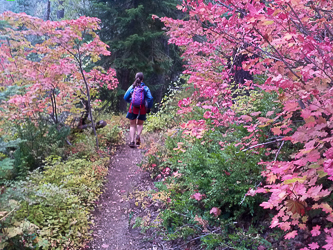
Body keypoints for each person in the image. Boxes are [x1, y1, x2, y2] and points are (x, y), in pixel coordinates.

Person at [124, 72, 153, 148]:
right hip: (142, 108)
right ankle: (138, 135)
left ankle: (132, 141)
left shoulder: (132, 87)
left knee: (132, 125)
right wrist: (148, 106)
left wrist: (131, 101)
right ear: (142, 78)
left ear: (135, 78)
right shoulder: (145, 88)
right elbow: (150, 98)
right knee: (140, 124)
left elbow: (125, 97)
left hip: (133, 108)